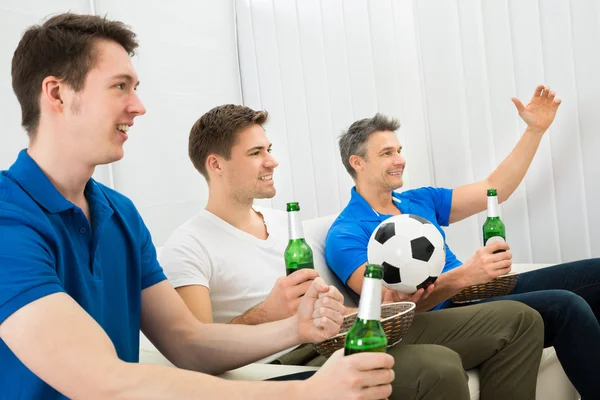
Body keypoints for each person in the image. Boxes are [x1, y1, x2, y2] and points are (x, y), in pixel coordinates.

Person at [0, 13, 397, 400]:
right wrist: (307, 393)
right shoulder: (8, 218)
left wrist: (295, 328)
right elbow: (102, 381)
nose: (138, 106)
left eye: (135, 87)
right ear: (56, 93)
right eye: (120, 87)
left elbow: (187, 342)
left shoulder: (119, 213)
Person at [161, 103, 545, 400]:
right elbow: (198, 351)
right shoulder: (188, 246)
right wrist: (267, 314)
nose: (272, 160)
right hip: (287, 358)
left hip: (338, 331)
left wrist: (373, 308)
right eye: (256, 153)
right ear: (216, 165)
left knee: (520, 320)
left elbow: (323, 301)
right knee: (438, 365)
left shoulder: (282, 224)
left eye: (270, 149)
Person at [325, 94, 600, 399]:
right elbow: (390, 309)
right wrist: (464, 276)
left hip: (478, 289)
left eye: (399, 150)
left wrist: (534, 130)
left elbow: (496, 188)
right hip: (449, 308)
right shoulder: (346, 233)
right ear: (357, 162)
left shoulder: (419, 199)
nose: (400, 159)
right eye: (387, 153)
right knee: (566, 306)